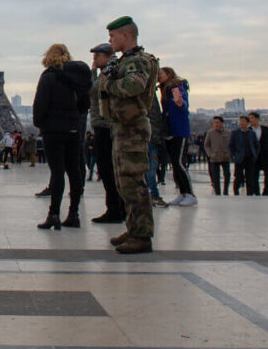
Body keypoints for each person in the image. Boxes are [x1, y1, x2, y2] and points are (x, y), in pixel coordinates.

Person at [98, 16, 158, 254]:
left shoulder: (137, 61)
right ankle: (134, 228)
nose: (109, 40)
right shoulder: (126, 61)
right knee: (125, 182)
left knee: (133, 182)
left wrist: (107, 84)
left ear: (125, 35)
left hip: (133, 128)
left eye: (112, 36)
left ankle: (142, 235)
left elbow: (134, 86)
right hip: (123, 126)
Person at [32, 44, 91, 230]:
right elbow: (84, 105)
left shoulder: (48, 77)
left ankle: (54, 215)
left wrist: (41, 123)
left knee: (57, 173)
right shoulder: (79, 80)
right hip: (73, 130)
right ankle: (74, 214)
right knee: (74, 172)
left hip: (53, 131)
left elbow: (40, 105)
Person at [87, 43, 125, 224]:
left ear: (107, 56)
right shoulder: (113, 69)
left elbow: (93, 91)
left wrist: (92, 72)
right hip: (106, 125)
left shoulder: (110, 71)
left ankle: (115, 209)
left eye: (96, 57)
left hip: (105, 125)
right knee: (110, 170)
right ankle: (118, 208)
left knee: (108, 170)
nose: (94, 61)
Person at [157, 67, 197, 206]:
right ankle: (183, 192)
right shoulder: (164, 89)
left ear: (168, 74)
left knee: (179, 162)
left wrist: (180, 103)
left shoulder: (177, 86)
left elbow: (183, 102)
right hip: (170, 130)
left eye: (160, 74)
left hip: (179, 129)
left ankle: (190, 194)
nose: (158, 76)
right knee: (174, 163)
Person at [229, 115, 258, 195]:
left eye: (243, 121)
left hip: (249, 158)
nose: (241, 123)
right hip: (239, 158)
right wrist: (233, 156)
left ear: (248, 123)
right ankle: (236, 191)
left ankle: (250, 192)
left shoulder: (251, 133)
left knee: (250, 177)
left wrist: (255, 154)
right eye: (240, 121)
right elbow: (231, 145)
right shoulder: (235, 133)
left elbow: (256, 145)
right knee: (238, 176)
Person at [204, 116, 232, 195]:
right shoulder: (210, 133)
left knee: (227, 175)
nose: (216, 124)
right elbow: (206, 145)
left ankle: (225, 191)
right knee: (216, 176)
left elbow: (231, 144)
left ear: (222, 123)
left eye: (217, 122)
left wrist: (229, 153)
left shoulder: (228, 133)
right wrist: (210, 154)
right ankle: (217, 192)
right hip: (214, 158)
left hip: (225, 157)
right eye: (214, 123)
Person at [248, 112, 268, 195]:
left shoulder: (265, 129)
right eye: (250, 118)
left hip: (265, 154)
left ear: (257, 119)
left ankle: (266, 191)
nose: (250, 120)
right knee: (254, 175)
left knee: (267, 174)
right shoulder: (249, 130)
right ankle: (256, 191)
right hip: (254, 156)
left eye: (252, 118)